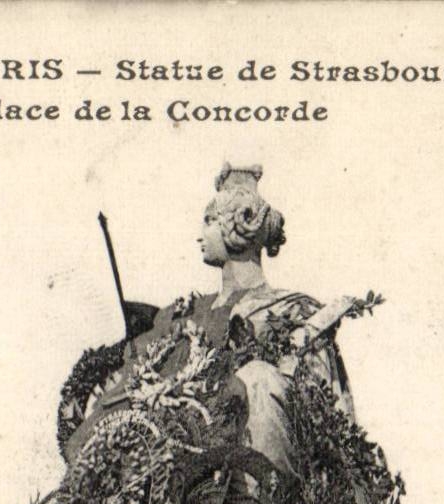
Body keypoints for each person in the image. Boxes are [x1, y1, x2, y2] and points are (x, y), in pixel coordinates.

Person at [65, 163, 359, 486]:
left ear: (240, 227)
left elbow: (321, 412)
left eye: (209, 221)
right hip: (179, 468)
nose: (199, 235)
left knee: (259, 378)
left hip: (252, 478)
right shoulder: (188, 313)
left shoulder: (292, 310)